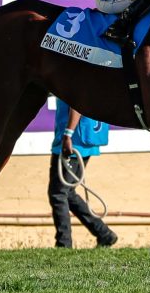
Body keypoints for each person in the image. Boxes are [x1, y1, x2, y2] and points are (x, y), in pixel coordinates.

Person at [48, 98, 118, 248]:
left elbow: (78, 103)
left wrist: (67, 134)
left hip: (73, 142)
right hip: (83, 139)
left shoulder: (73, 75)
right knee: (68, 192)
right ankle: (104, 234)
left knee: (58, 193)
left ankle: (64, 243)